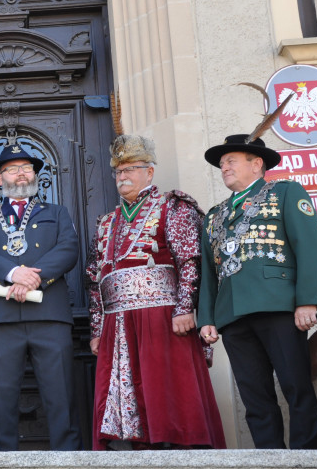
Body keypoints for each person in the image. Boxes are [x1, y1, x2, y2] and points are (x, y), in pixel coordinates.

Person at [86, 135, 225, 450]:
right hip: (117, 324)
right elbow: (94, 281)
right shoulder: (106, 222)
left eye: (132, 169)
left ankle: (182, 451)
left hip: (164, 318)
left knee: (170, 388)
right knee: (128, 391)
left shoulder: (172, 207)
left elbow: (191, 260)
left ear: (149, 172)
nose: (124, 176)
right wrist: (97, 329)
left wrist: (185, 309)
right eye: (118, 171)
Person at [198, 134, 317, 449]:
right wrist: (207, 318)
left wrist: (307, 300)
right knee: (254, 397)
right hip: (233, 315)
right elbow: (208, 271)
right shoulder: (215, 215)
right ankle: (269, 463)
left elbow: (309, 247)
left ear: (257, 164)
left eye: (231, 160)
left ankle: (307, 461)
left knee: (296, 386)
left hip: (278, 307)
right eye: (222, 163)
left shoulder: (285, 193)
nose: (224, 167)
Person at [0, 144, 82, 451]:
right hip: (0, 319)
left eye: (26, 168)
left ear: (35, 176)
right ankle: (2, 464)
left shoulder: (56, 213)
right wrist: (12, 273)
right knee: (1, 396)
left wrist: (34, 279)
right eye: (13, 169)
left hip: (50, 315)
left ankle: (67, 462)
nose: (21, 174)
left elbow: (68, 249)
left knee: (60, 394)